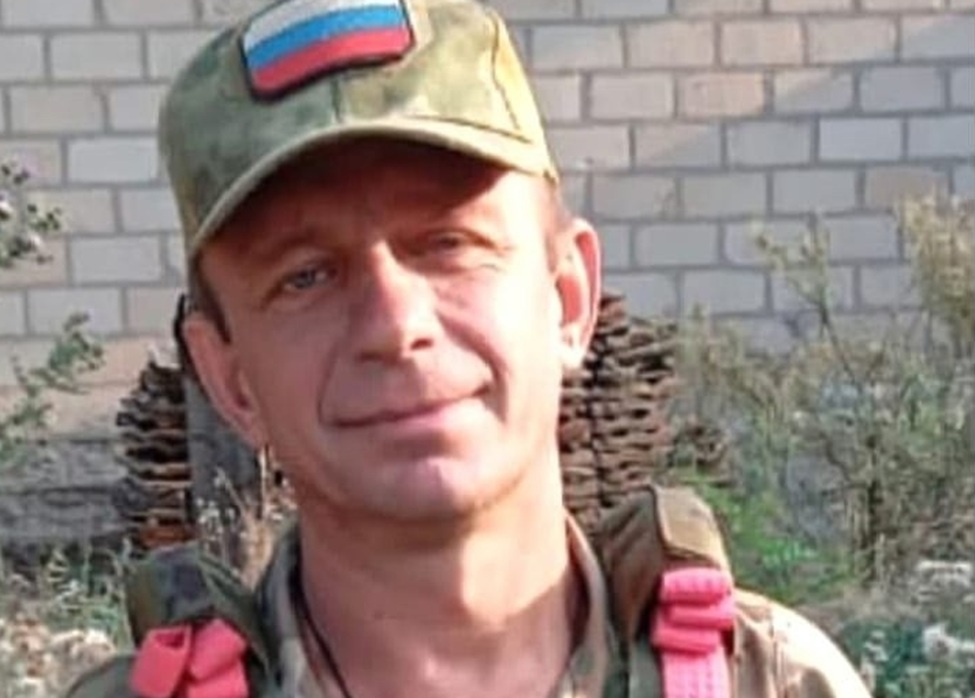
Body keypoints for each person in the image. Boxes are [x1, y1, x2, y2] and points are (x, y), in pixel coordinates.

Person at [68, 0, 872, 696]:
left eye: (449, 243)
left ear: (567, 298)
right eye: (305, 277)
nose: (394, 324)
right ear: (231, 379)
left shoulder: (774, 682)